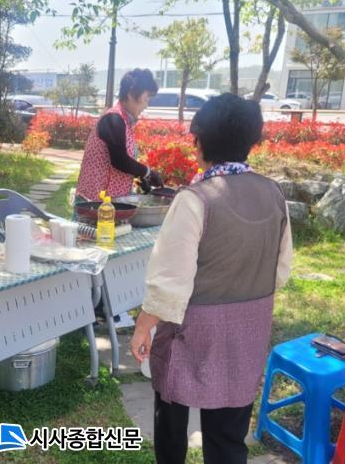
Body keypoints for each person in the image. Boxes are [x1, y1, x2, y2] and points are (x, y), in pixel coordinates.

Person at [130, 93, 293, 464]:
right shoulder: (274, 193)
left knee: (171, 414)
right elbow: (281, 269)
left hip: (193, 331)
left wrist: (143, 326)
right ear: (250, 142)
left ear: (200, 141)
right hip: (249, 329)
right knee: (228, 437)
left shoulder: (195, 199)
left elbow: (170, 282)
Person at [75, 68, 164, 202]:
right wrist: (148, 172)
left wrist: (140, 177)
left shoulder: (124, 120)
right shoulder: (113, 119)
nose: (146, 105)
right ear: (130, 94)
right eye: (146, 99)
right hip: (94, 204)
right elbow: (120, 160)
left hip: (110, 202)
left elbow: (121, 162)